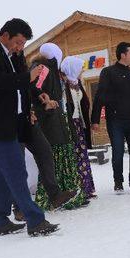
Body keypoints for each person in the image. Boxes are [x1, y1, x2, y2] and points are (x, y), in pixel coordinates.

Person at [0, 18, 58, 236]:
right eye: (17, 42)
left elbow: (22, 84)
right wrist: (27, 77)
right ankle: (35, 221)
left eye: (23, 44)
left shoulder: (15, 56)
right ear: (4, 35)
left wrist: (38, 93)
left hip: (13, 122)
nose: (20, 47)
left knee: (4, 170)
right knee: (16, 168)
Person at [30, 46, 87, 210]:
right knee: (54, 158)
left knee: (64, 157)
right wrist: (45, 103)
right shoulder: (43, 70)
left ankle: (70, 195)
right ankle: (50, 198)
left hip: (59, 119)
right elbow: (35, 90)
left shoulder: (51, 71)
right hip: (50, 120)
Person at [91, 42, 130, 194]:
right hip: (115, 120)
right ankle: (118, 182)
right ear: (123, 54)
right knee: (118, 152)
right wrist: (95, 119)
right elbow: (100, 95)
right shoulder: (108, 72)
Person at [60, 56, 97, 197]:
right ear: (72, 68)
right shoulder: (63, 84)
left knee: (82, 156)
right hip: (69, 124)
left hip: (78, 123)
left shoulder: (77, 83)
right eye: (80, 67)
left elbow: (83, 103)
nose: (82, 70)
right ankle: (75, 191)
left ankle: (86, 188)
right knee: (74, 156)